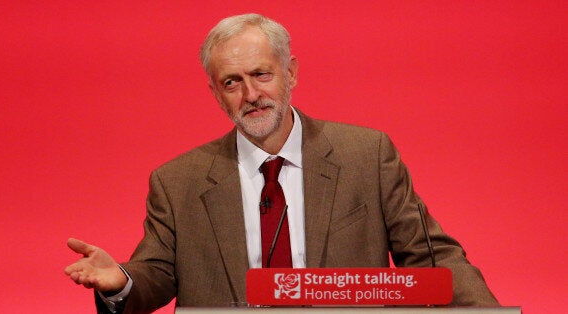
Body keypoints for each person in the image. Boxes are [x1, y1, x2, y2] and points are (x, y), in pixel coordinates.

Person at [65, 13, 499, 313]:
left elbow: (429, 257)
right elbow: (158, 273)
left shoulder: (366, 154)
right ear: (216, 93)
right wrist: (121, 280)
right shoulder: (177, 181)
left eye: (262, 74)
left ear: (290, 73)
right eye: (232, 82)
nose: (251, 94)